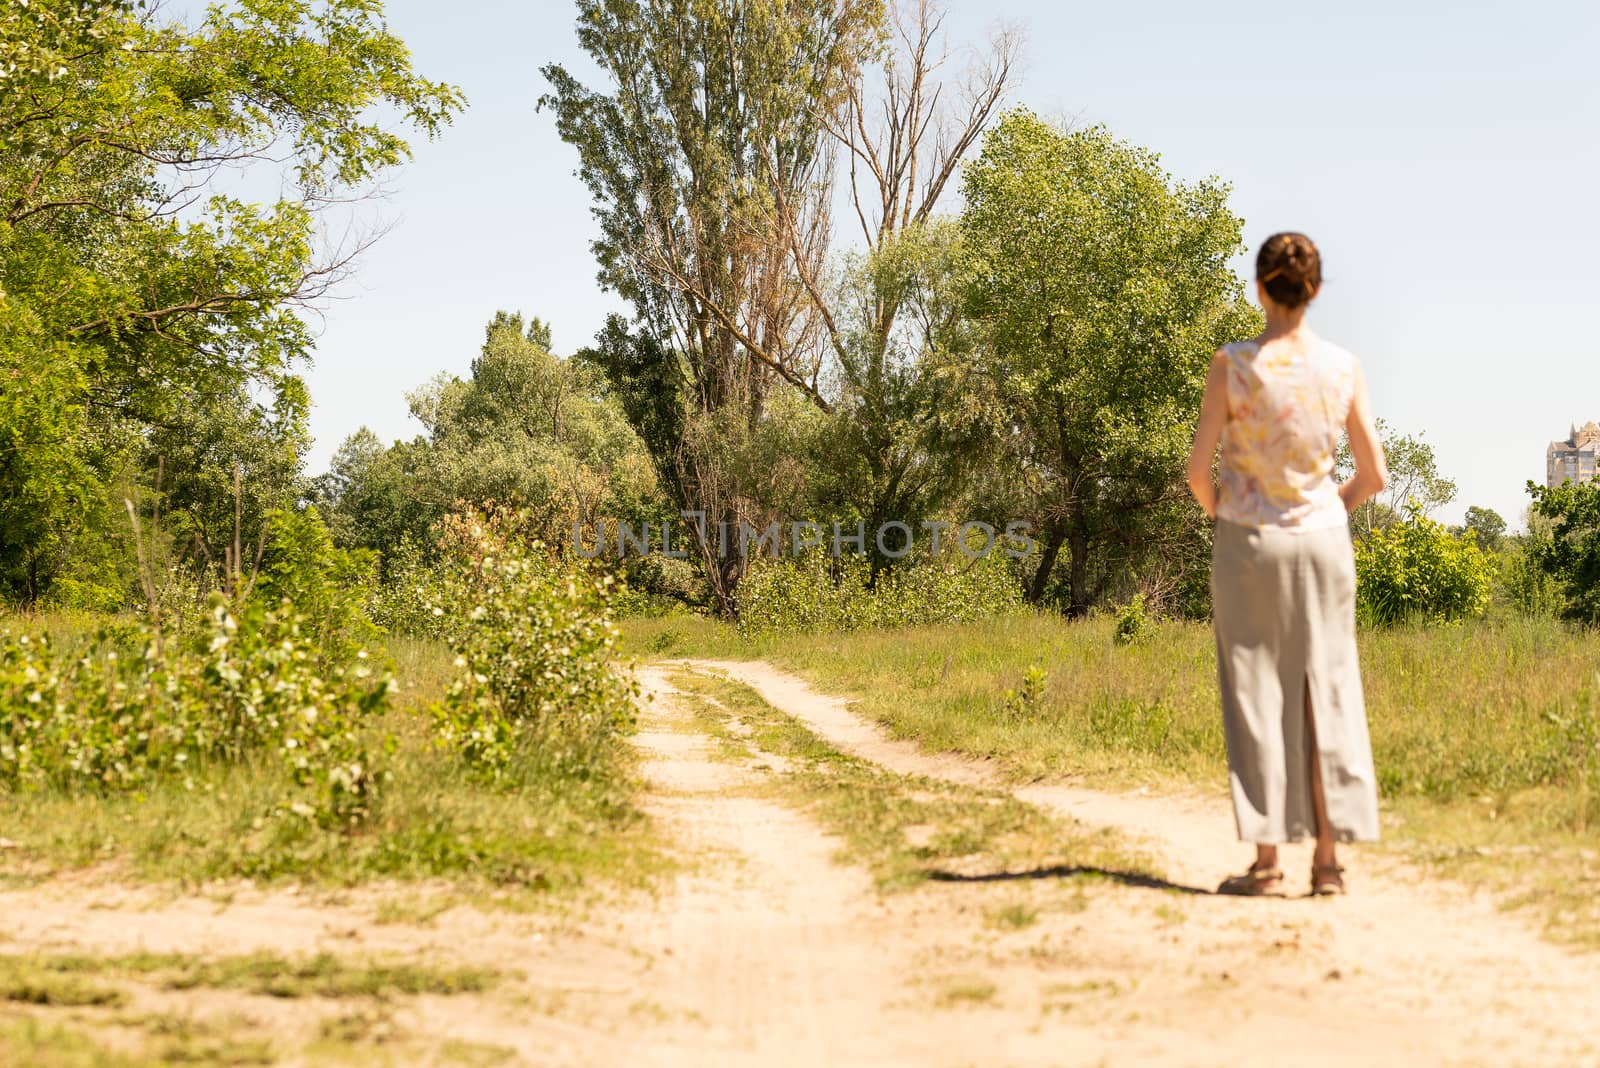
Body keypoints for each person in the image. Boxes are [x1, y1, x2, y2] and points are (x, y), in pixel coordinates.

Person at [1185, 232, 1388, 897]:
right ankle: (1328, 864)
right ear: (1316, 291)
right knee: (1325, 688)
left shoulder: (1233, 365)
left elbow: (1196, 474)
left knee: (1256, 692)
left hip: (1250, 539)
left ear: (1259, 287)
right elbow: (1375, 475)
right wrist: (1329, 509)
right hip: (1324, 543)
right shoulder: (1343, 366)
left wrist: (1229, 514)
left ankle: (1268, 862)